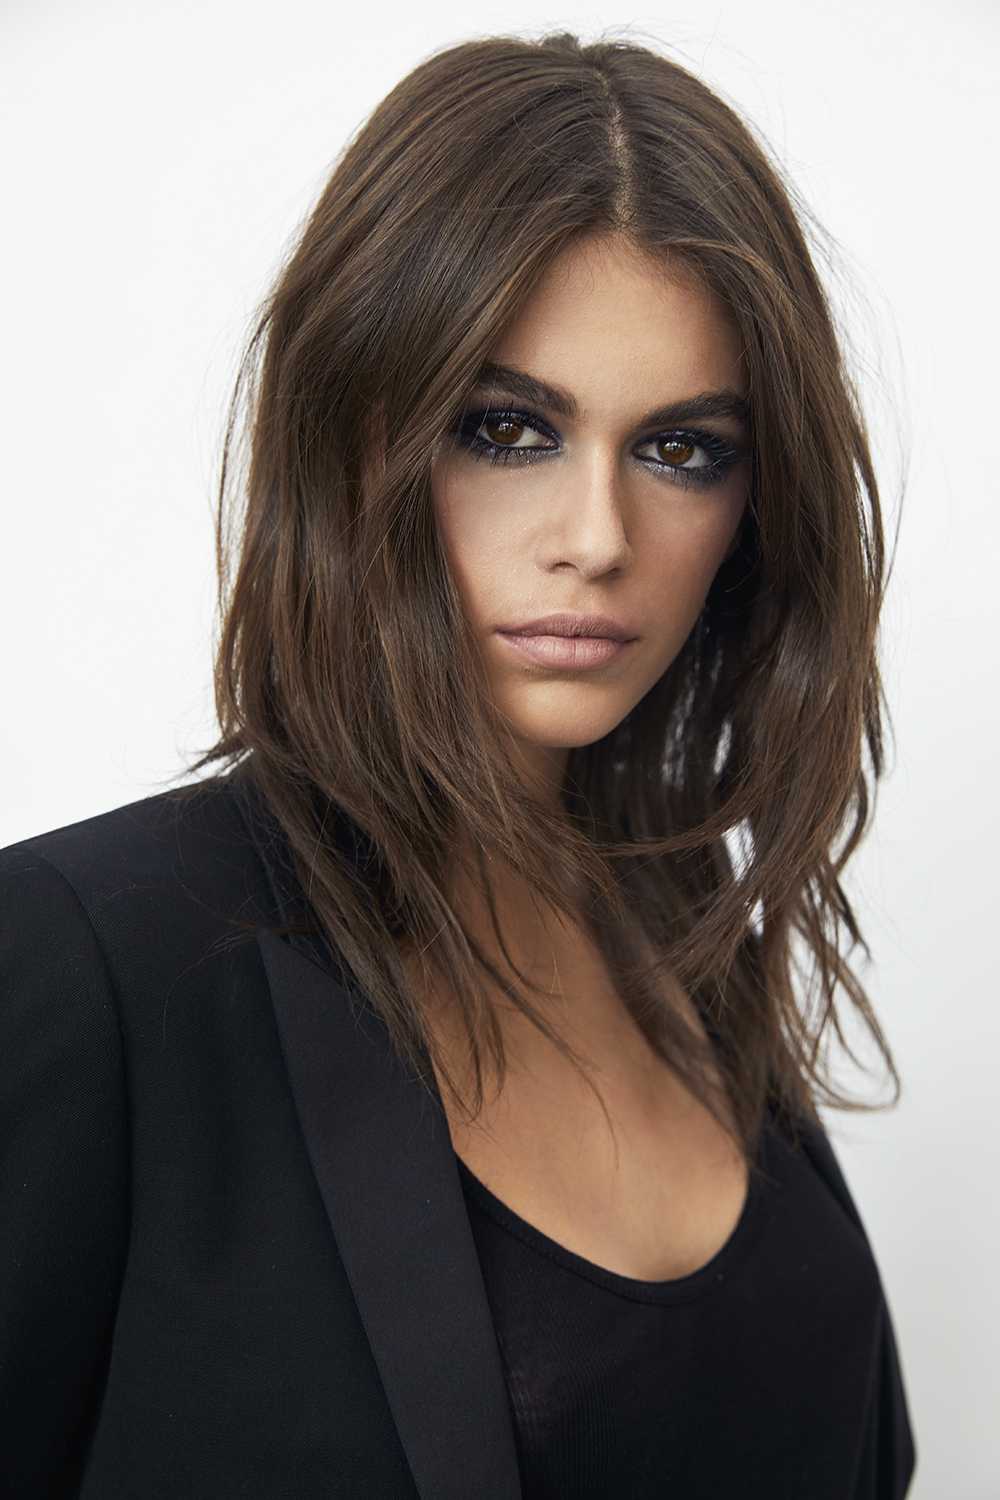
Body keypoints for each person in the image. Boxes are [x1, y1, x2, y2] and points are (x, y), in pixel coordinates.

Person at [0, 27, 917, 1499]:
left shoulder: (692, 945)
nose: (597, 538)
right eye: (506, 429)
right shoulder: (85, 963)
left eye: (684, 449)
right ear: (357, 434)